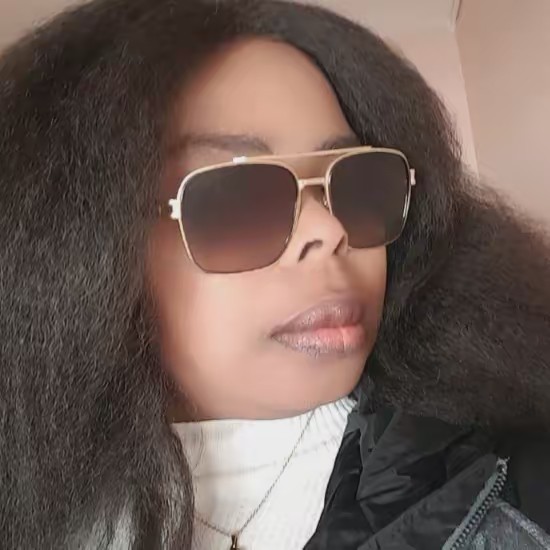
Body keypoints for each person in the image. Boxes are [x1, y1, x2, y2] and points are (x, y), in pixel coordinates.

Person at [1, 0, 549, 549]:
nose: (329, 228)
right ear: (89, 246)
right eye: (238, 197)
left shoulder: (512, 489)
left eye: (358, 182)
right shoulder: (36, 513)